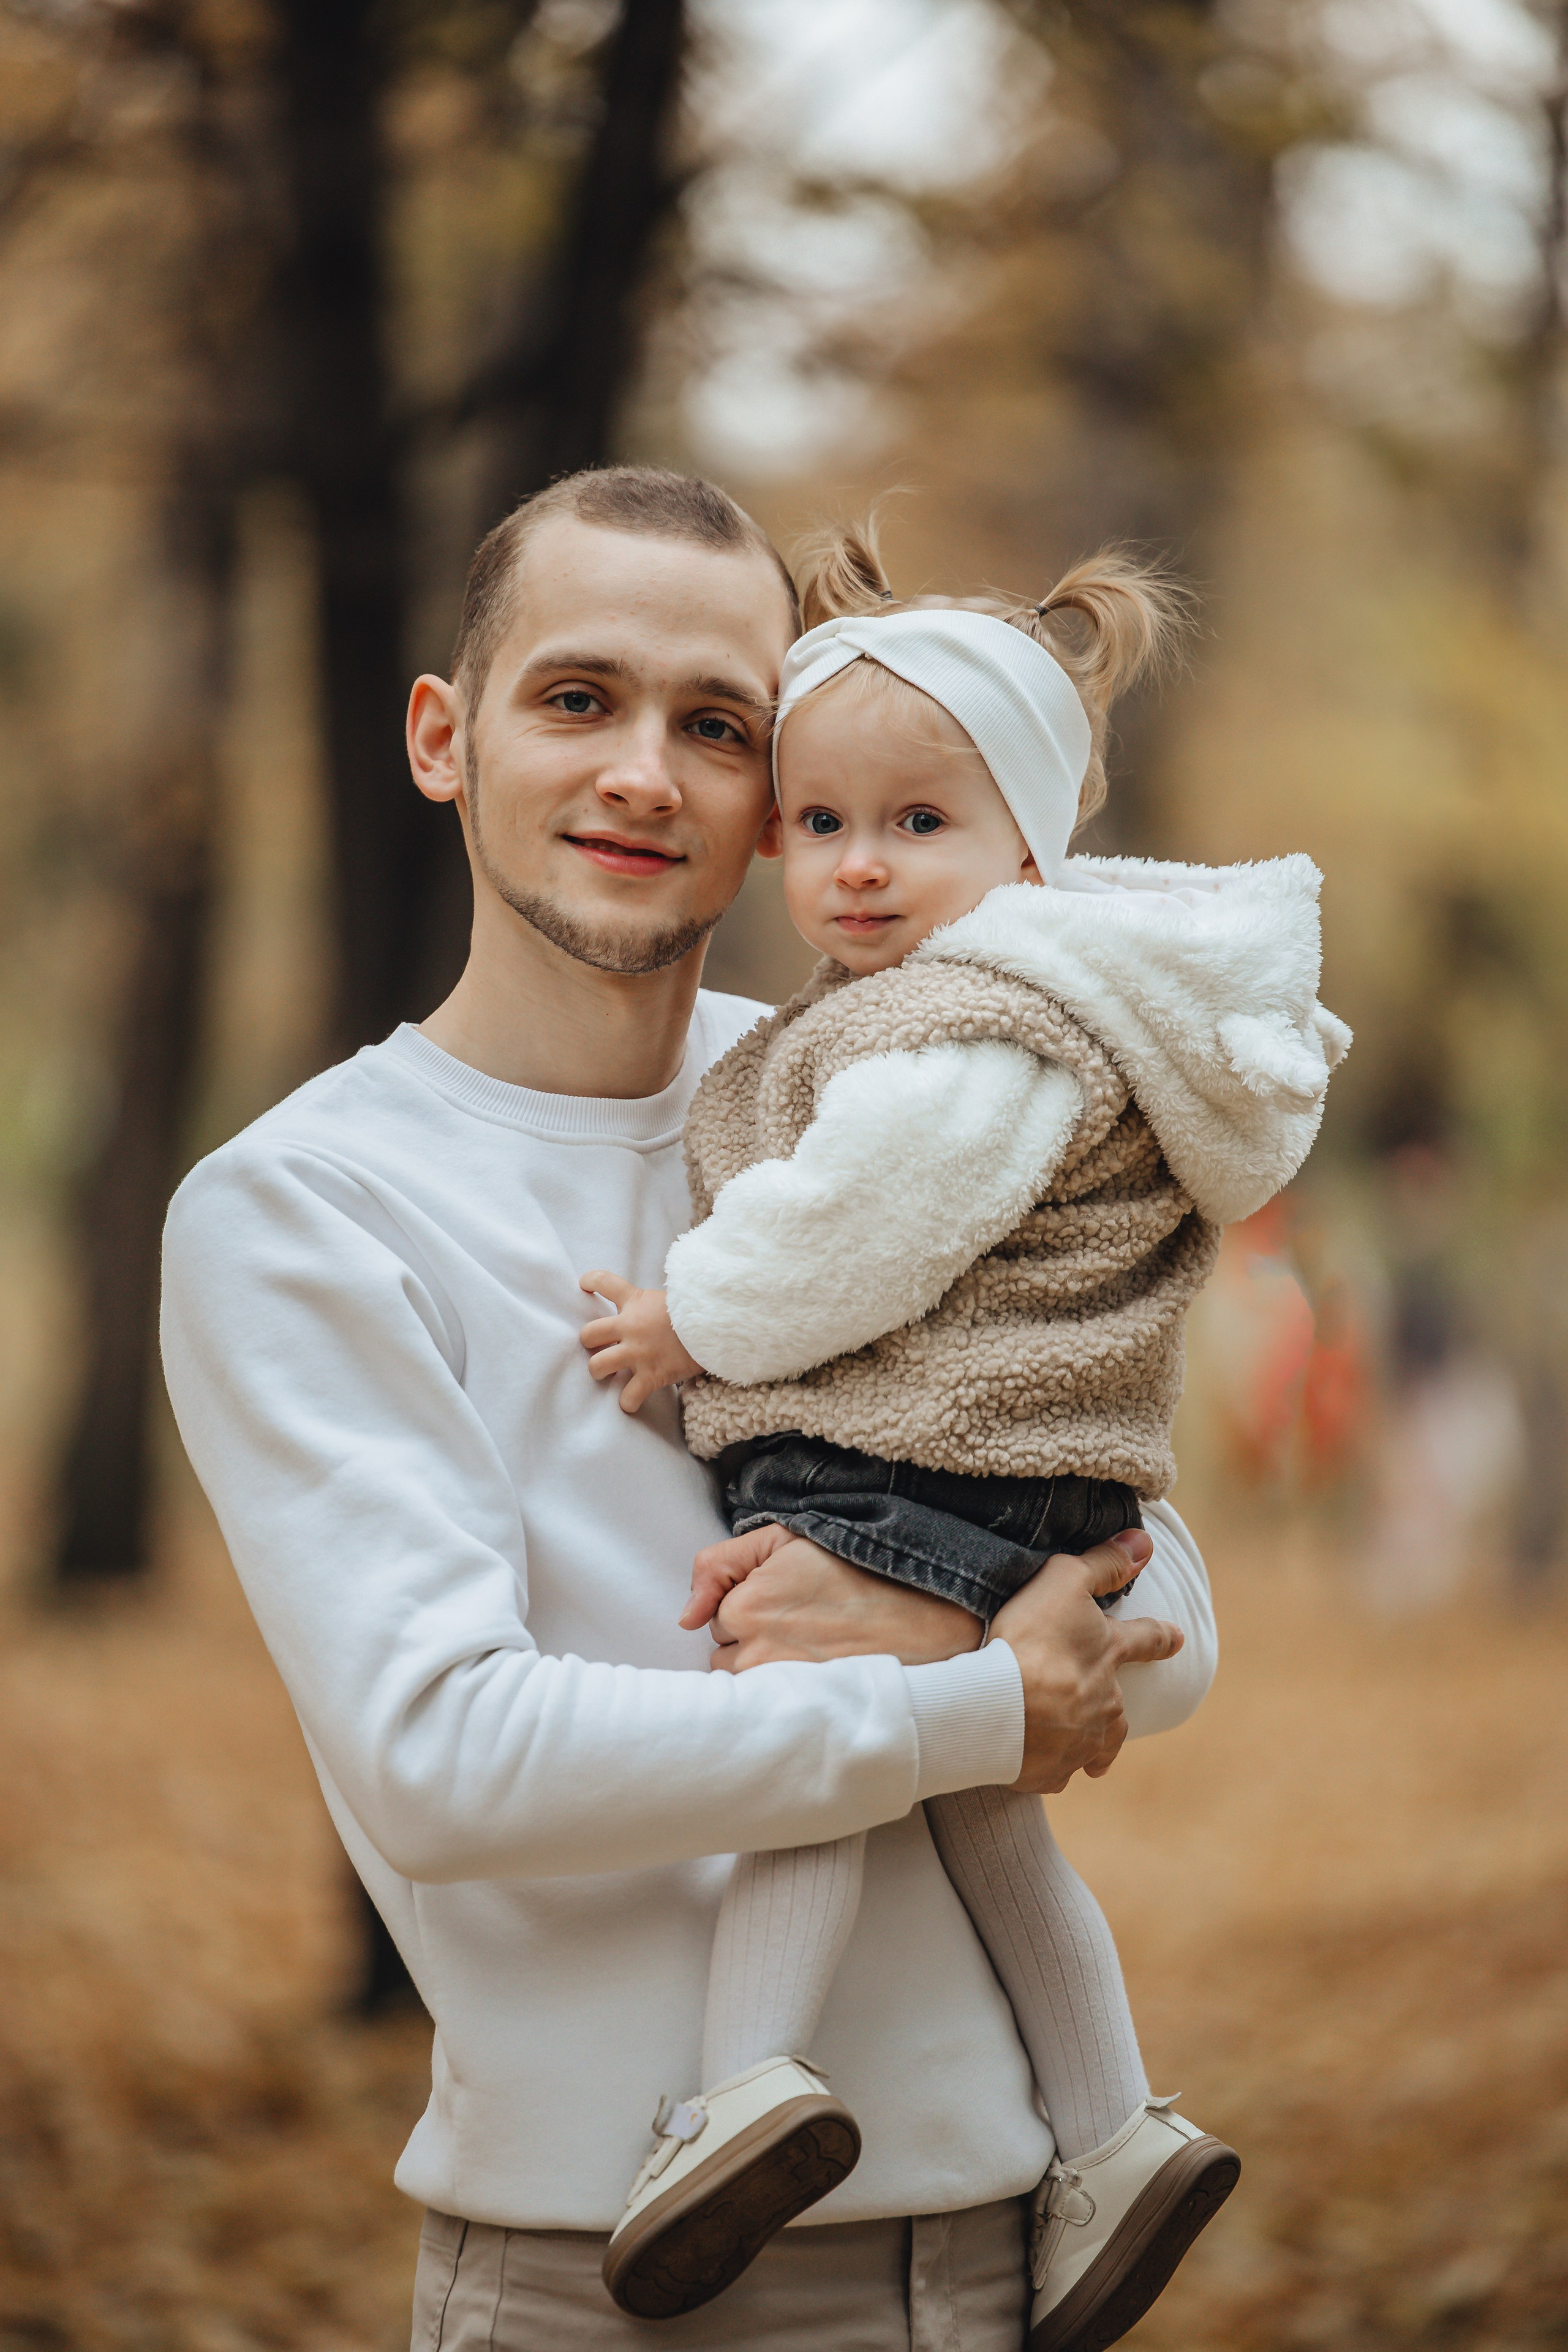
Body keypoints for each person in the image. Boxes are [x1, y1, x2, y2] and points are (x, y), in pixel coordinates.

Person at [160, 467, 1218, 2352]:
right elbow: (445, 1759)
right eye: (577, 699)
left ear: (779, 792)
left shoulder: (898, 1105)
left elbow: (1158, 1589)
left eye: (715, 726)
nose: (646, 773)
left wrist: (927, 1609)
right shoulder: (304, 1207)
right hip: (604, 2275)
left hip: (1001, 2253)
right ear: (442, 736)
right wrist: (967, 1695)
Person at [579, 518, 1348, 2345]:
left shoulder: (970, 1032)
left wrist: (695, 1314)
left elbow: (861, 1227)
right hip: (1022, 1485)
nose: (857, 870)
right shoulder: (950, 1009)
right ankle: (1111, 2135)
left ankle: (745, 2081)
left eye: (919, 826)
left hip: (922, 1469)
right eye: (824, 823)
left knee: (815, 1737)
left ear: (1027, 842)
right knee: (990, 1810)